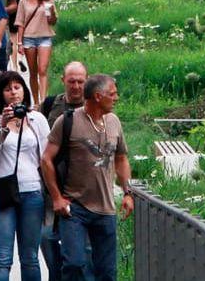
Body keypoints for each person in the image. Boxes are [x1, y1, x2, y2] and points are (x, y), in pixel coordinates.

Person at [39, 75, 132, 281]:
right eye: (113, 94)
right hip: (75, 208)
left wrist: (127, 192)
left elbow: (121, 158)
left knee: (107, 272)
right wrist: (56, 197)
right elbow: (46, 159)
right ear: (98, 96)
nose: (116, 98)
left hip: (106, 208)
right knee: (74, 264)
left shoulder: (114, 122)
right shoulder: (68, 121)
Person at [0, 70, 51, 281]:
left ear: (24, 91)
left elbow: (46, 156)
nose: (13, 93)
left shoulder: (37, 118)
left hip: (33, 191)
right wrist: (2, 127)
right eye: (7, 89)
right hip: (4, 192)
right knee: (2, 258)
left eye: (17, 87)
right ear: (0, 94)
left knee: (30, 257)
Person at [37, 63, 88, 281]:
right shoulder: (50, 105)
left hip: (84, 188)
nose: (76, 86)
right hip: (52, 184)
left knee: (84, 247)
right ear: (63, 80)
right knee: (48, 237)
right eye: (71, 81)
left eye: (80, 81)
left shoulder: (94, 106)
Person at [15, 0, 57, 103]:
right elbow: (20, 23)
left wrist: (52, 11)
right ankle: (36, 101)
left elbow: (53, 21)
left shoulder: (47, 1)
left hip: (45, 37)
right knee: (33, 72)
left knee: (42, 69)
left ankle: (44, 100)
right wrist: (19, 42)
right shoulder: (23, 1)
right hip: (29, 38)